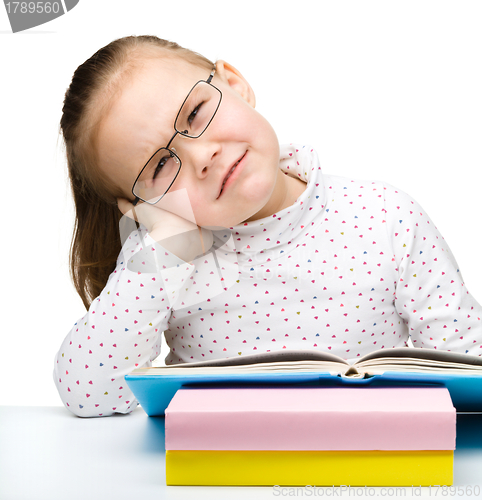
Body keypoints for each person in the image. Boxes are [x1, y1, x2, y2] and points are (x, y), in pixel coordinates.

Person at [54, 35, 482, 418]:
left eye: (197, 112)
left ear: (235, 84)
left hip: (372, 467)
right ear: (140, 207)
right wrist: (163, 251)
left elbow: (468, 371)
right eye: (162, 165)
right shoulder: (163, 257)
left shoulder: (385, 216)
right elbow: (90, 395)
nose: (202, 156)